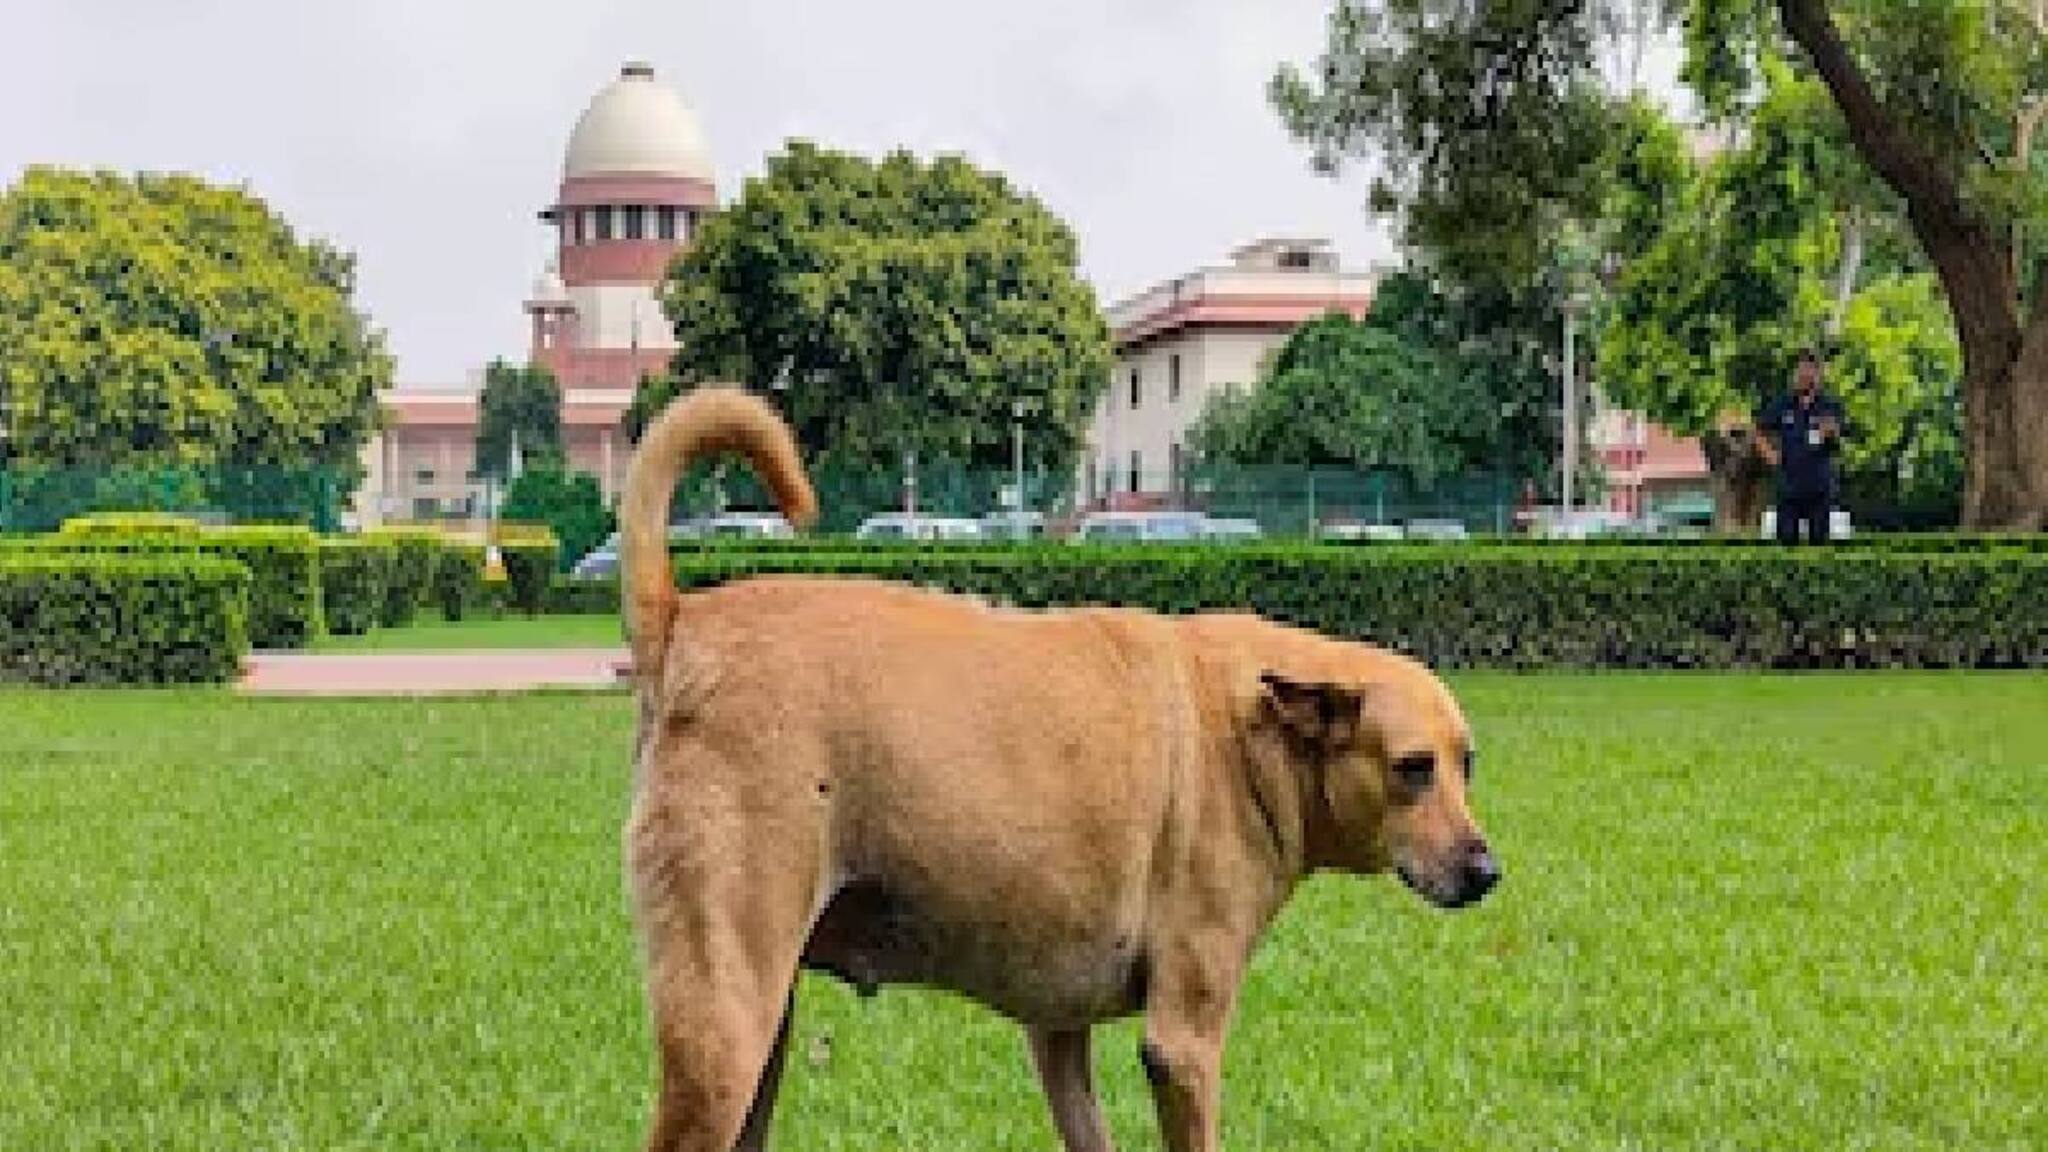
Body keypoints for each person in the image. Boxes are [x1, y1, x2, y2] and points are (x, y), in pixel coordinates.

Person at [1754, 348, 1847, 545]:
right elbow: (1758, 430)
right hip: (1788, 486)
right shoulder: (1783, 403)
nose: (1804, 374)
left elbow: (1838, 442)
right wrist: (1769, 454)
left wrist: (1830, 432)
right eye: (1800, 370)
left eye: (1809, 370)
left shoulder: (1829, 405)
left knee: (1818, 545)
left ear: (1818, 374)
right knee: (1786, 543)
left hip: (1819, 487)